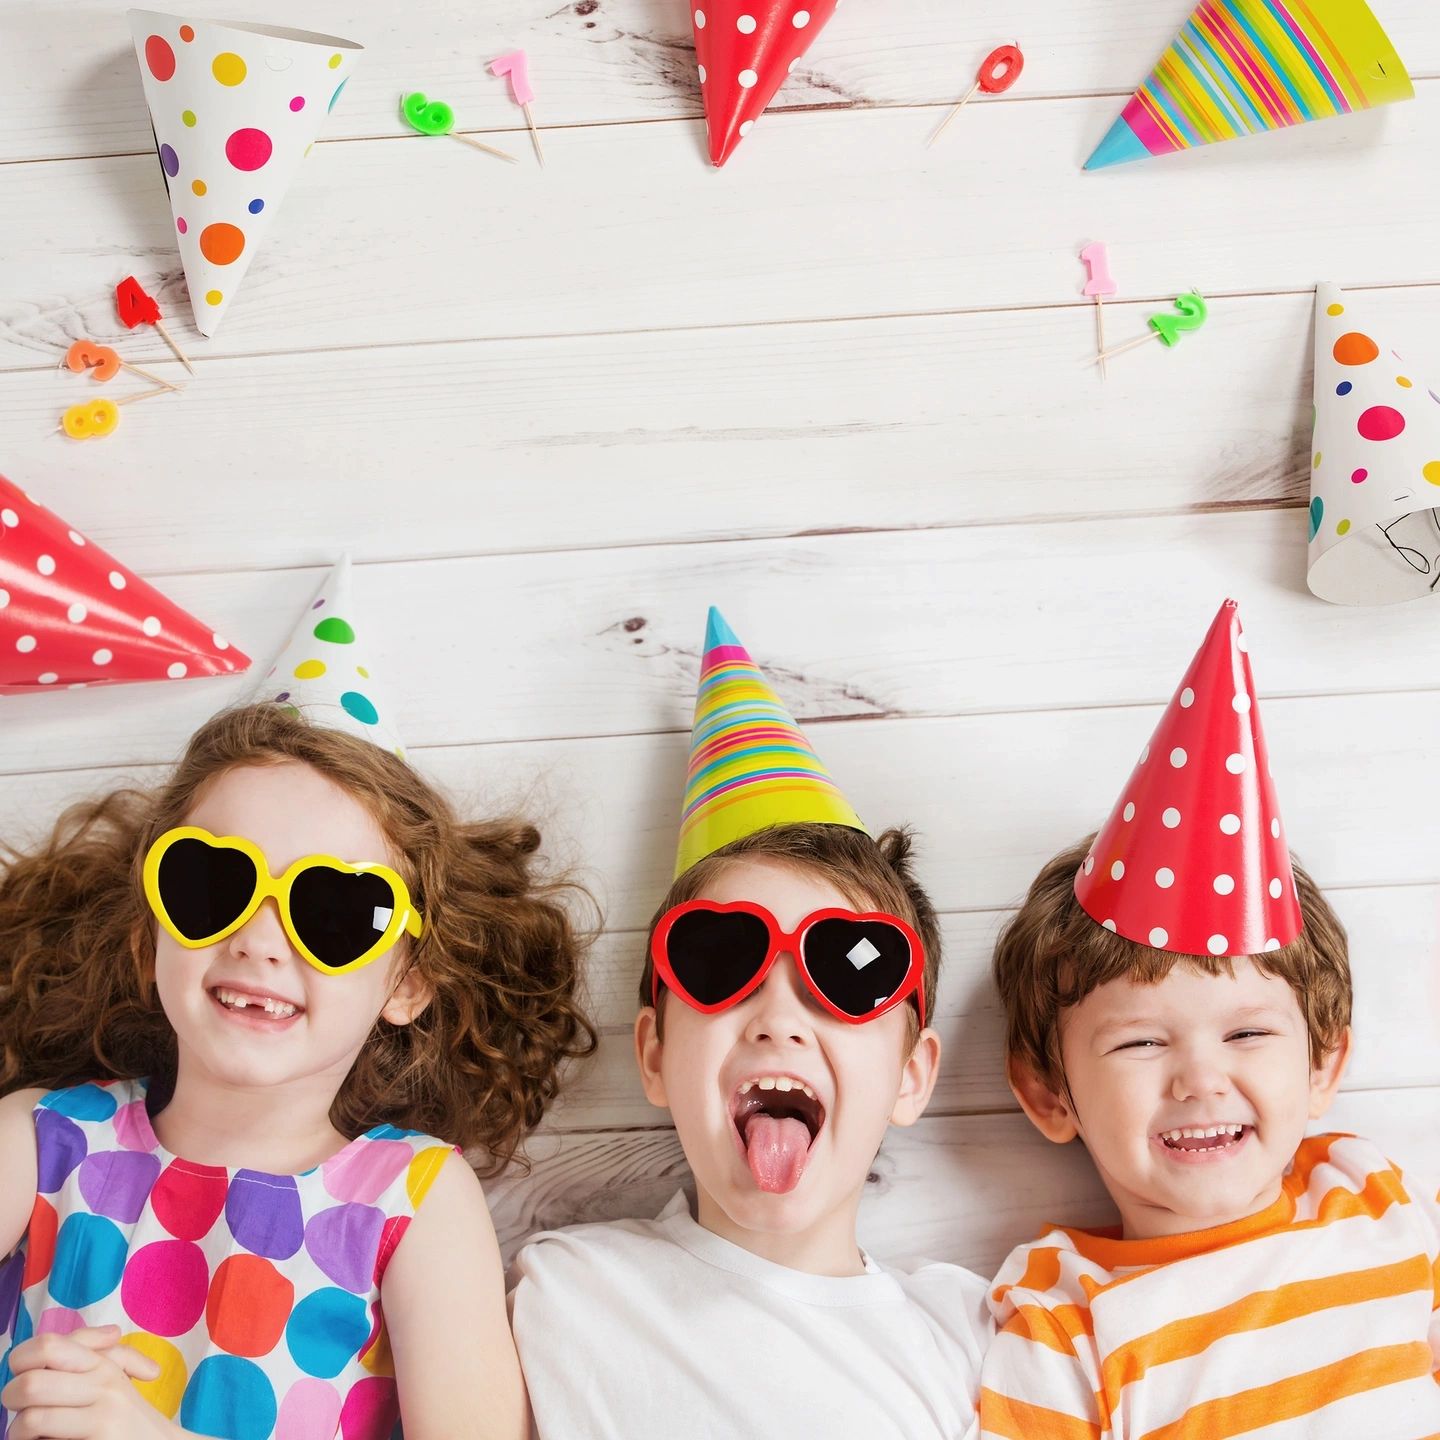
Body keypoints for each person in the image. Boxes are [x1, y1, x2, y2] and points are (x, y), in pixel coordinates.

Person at [509, 608, 992, 1440]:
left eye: (848, 973)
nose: (778, 1019)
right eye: (722, 961)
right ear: (655, 1055)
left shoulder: (969, 1336)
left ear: (912, 1075)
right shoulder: (569, 1292)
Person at [981, 599, 1440, 1439]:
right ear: (1049, 1094)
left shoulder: (1373, 1197)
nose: (1199, 1079)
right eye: (1142, 1042)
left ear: (1324, 1067)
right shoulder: (1061, 1314)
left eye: (1247, 1033)